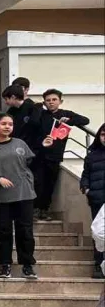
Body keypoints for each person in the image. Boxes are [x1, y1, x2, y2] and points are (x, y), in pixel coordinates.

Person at [0, 112, 40, 280]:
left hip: (23, 194)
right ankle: (5, 264)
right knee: (3, 232)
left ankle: (27, 265)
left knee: (25, 231)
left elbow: (31, 163)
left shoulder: (21, 144)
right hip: (0, 197)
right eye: (3, 124)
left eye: (10, 124)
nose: (7, 126)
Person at [31, 89, 90, 220]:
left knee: (50, 184)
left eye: (54, 100)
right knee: (38, 183)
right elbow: (33, 126)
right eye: (48, 100)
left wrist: (69, 120)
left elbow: (85, 120)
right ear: (44, 102)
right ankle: (35, 209)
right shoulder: (41, 114)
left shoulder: (65, 114)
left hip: (55, 156)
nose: (51, 102)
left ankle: (44, 210)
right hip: (39, 155)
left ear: (60, 101)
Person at [81, 124, 105, 279]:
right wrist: (85, 188)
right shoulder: (92, 154)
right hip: (98, 199)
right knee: (99, 232)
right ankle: (98, 262)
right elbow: (85, 175)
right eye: (103, 134)